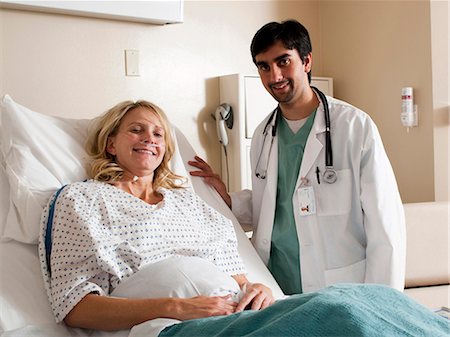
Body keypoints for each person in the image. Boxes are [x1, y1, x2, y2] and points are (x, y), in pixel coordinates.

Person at [38, 100, 448, 337]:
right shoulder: (81, 201)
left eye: (159, 134)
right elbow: (76, 307)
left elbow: (236, 276)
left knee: (366, 299)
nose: (150, 139)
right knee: (342, 316)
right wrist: (176, 307)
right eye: (136, 130)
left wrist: (256, 289)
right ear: (110, 142)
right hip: (169, 328)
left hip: (238, 314)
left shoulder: (188, 203)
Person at [189, 19, 406, 295]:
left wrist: (383, 303)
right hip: (276, 283)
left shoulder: (354, 127)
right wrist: (228, 199)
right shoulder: (263, 135)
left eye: (283, 61)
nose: (274, 76)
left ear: (306, 61)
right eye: (264, 66)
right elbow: (273, 203)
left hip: (340, 285)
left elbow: (386, 224)